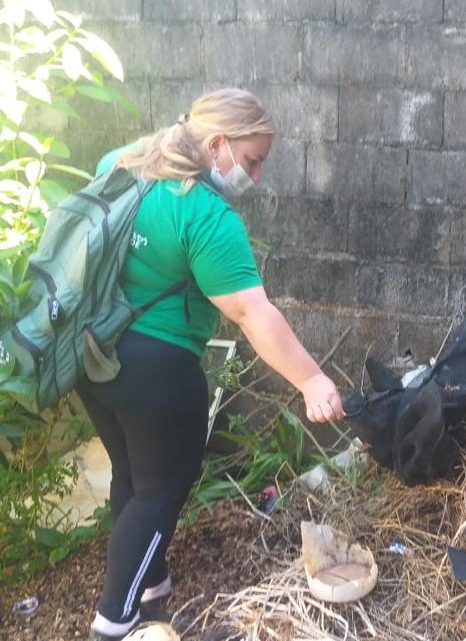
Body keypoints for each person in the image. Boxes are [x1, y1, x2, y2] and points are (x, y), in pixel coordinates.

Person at [78, 88, 345, 641]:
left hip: (94, 355)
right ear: (218, 143)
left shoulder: (120, 163)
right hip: (157, 373)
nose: (256, 176)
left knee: (132, 475)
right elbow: (252, 312)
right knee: (160, 492)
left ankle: (150, 583)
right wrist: (311, 379)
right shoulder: (205, 214)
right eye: (252, 160)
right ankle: (113, 621)